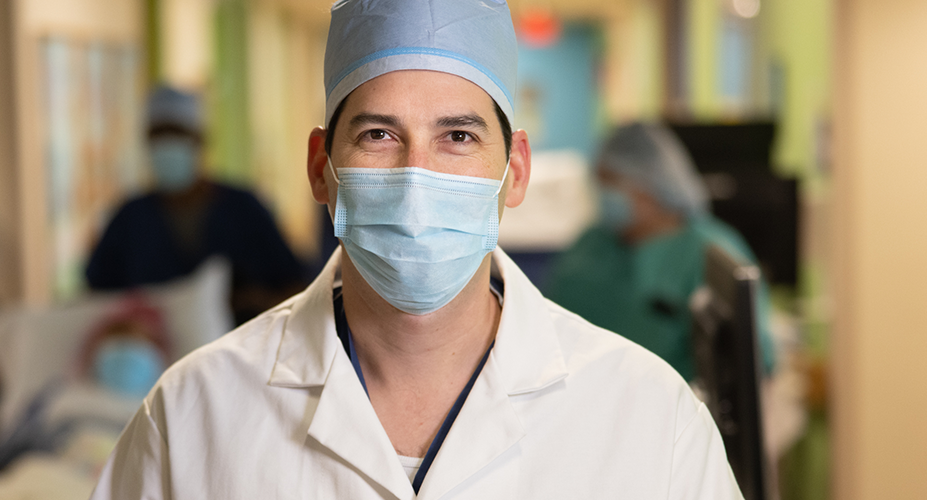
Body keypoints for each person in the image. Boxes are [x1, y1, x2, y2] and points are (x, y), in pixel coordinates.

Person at [91, 1, 743, 498]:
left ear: (514, 171)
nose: (415, 177)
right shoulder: (189, 417)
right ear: (321, 166)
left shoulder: (653, 421)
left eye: (457, 136)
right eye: (379, 134)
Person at [545, 123, 776, 381]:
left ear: (647, 183)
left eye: (610, 181)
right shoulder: (592, 242)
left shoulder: (709, 252)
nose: (602, 194)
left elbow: (753, 362)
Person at [84, 86, 306, 324]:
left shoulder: (244, 209)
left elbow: (297, 287)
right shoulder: (129, 220)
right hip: (161, 356)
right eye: (158, 136)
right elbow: (95, 301)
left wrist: (254, 302)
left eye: (176, 134)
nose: (167, 147)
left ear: (200, 139)